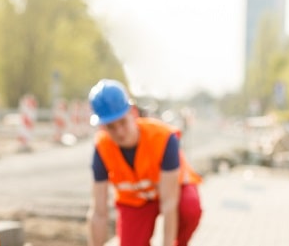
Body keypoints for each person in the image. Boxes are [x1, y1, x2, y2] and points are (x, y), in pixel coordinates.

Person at [86, 79, 203, 246]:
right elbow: (98, 212)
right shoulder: (102, 148)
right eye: (111, 127)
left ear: (133, 113)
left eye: (122, 122)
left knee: (189, 208)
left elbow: (169, 203)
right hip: (135, 202)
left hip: (174, 192)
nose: (119, 132)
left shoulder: (163, 138)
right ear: (102, 126)